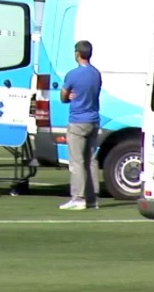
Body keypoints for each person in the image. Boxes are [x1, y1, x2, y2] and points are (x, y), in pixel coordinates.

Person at [59, 40, 102, 211]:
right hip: (93, 119)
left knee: (77, 162)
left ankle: (78, 197)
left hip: (78, 121)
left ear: (77, 53)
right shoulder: (96, 74)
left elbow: (63, 97)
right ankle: (92, 198)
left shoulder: (73, 75)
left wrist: (69, 96)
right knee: (91, 160)